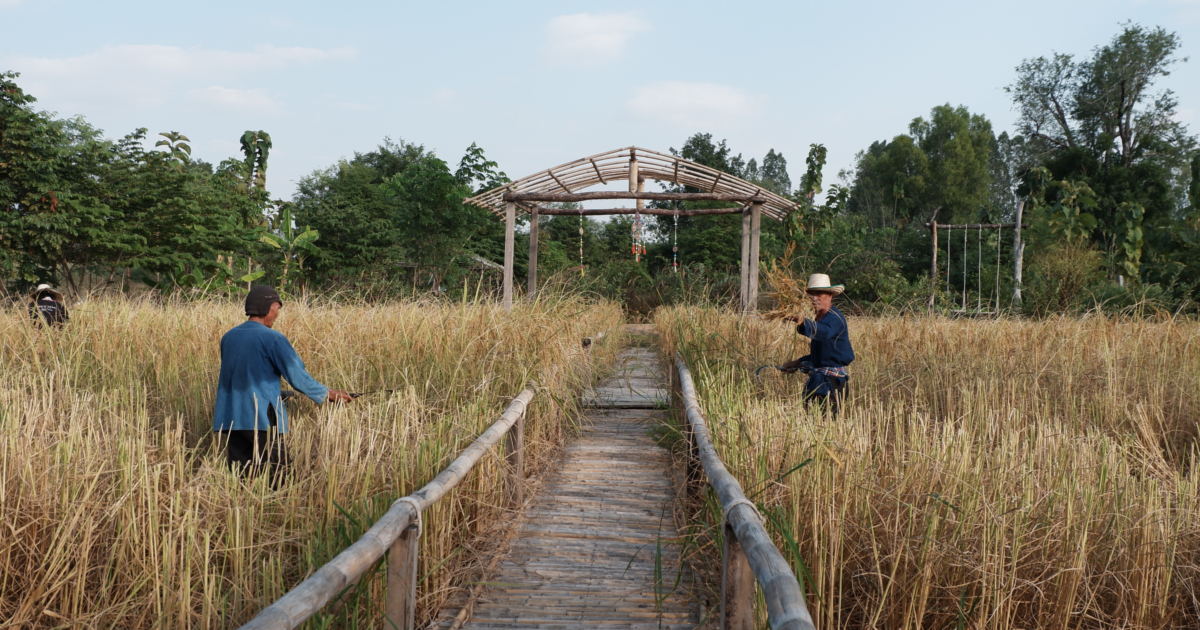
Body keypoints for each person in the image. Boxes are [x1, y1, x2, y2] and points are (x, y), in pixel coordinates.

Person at [213, 285, 352, 486]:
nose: (277, 314)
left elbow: (243, 376)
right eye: (277, 308)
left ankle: (243, 513)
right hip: (260, 417)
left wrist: (282, 393)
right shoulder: (273, 338)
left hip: (231, 417)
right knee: (280, 477)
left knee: (241, 479)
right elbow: (298, 377)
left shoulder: (229, 337)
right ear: (268, 308)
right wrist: (328, 394)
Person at [780, 274, 855, 416]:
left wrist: (802, 322)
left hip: (833, 383)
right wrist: (798, 363)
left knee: (827, 425)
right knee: (810, 422)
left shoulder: (835, 318)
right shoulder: (820, 319)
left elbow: (824, 332)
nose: (814, 298)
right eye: (811, 295)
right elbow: (823, 355)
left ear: (830, 296)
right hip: (818, 380)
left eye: (819, 293)